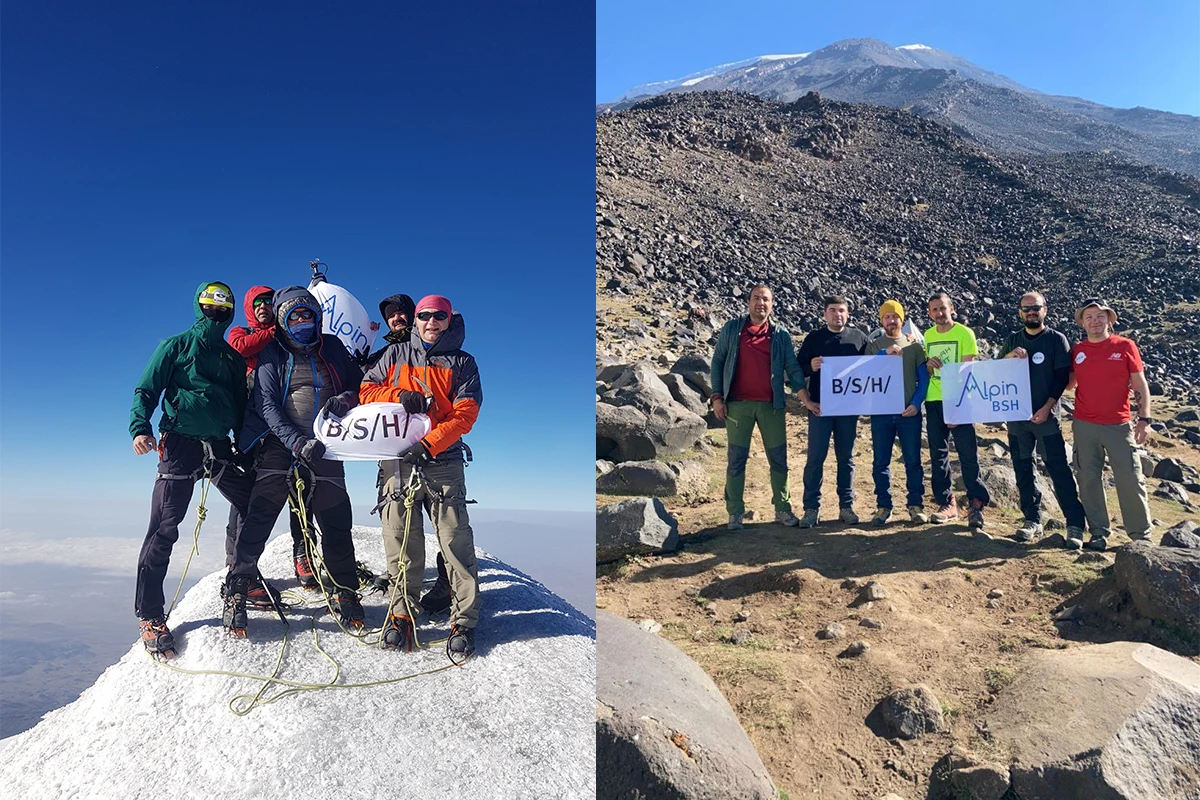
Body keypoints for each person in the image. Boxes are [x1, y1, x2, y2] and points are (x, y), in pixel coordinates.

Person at [225, 286, 365, 637]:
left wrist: (345, 400)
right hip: (281, 443)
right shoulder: (272, 350)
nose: (302, 321)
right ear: (284, 321)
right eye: (294, 316)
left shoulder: (331, 346)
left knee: (336, 519)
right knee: (260, 514)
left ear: (317, 316)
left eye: (308, 314)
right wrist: (295, 442)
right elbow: (267, 404)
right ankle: (237, 589)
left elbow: (356, 384)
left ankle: (344, 591)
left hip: (326, 446)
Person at [130, 281, 253, 658]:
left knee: (253, 503)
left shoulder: (231, 358)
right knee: (165, 528)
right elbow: (147, 389)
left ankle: (237, 585)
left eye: (223, 309)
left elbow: (240, 404)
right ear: (200, 308)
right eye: (211, 307)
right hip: (180, 444)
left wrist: (244, 445)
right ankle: (150, 615)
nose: (217, 314)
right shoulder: (176, 346)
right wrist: (140, 427)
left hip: (218, 445)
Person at [360, 294, 483, 659]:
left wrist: (428, 444)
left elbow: (465, 414)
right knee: (400, 541)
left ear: (449, 321)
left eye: (439, 316)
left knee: (455, 540)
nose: (431, 322)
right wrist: (400, 394)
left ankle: (464, 620)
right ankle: (401, 616)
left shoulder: (463, 363)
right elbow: (366, 392)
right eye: (425, 316)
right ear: (415, 320)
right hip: (396, 461)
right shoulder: (393, 357)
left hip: (442, 459)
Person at [225, 285, 317, 588]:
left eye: (268, 301)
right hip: (252, 428)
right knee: (247, 496)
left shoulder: (286, 340)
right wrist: (274, 329)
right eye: (257, 302)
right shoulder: (243, 332)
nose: (263, 306)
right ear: (250, 307)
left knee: (300, 492)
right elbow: (241, 348)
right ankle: (237, 561)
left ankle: (303, 555)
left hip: (286, 426)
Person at [709, 285, 806, 530]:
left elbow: (792, 368)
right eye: (756, 298)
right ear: (748, 302)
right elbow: (718, 361)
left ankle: (782, 509)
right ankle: (735, 513)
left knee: (779, 460)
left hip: (771, 407)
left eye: (765, 299)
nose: (760, 303)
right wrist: (717, 397)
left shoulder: (780, 334)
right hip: (738, 406)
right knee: (736, 460)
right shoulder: (732, 329)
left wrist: (806, 399)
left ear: (772, 304)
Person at [998, 291, 1087, 545]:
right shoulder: (1012, 340)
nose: (1031, 312)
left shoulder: (1056, 340)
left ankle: (1074, 524)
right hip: (1017, 420)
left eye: (1036, 307)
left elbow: (1062, 378)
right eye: (1026, 308)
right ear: (1020, 313)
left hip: (1046, 418)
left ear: (1045, 310)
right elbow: (994, 372)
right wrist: (1007, 357)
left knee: (1058, 468)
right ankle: (1032, 520)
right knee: (1023, 469)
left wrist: (1048, 407)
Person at [1067, 298, 1154, 551]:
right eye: (1089, 317)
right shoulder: (1077, 351)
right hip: (1084, 425)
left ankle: (1140, 535)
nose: (1095, 321)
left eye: (1100, 316)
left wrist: (1144, 420)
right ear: (1082, 322)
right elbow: (1067, 384)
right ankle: (1098, 533)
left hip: (1119, 424)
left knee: (1130, 477)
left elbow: (1140, 385)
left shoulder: (1125, 346)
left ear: (1109, 320)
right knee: (1088, 478)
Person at [795, 295, 868, 528]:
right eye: (833, 310)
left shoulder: (859, 338)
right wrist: (811, 367)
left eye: (842, 311)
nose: (838, 315)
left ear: (848, 314)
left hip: (848, 410)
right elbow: (797, 368)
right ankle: (811, 508)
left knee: (846, 458)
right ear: (825, 313)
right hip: (820, 408)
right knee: (815, 458)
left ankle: (846, 506)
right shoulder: (814, 338)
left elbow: (874, 368)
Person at [923, 292, 991, 528]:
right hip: (934, 400)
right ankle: (946, 502)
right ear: (929, 313)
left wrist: (955, 406)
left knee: (967, 453)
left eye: (942, 308)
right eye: (934, 309)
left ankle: (976, 503)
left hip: (960, 400)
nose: (939, 313)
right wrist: (929, 366)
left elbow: (966, 370)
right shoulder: (928, 335)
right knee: (938, 453)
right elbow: (929, 371)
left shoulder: (965, 333)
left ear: (951, 308)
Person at [865, 300, 930, 526]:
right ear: (881, 320)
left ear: (902, 320)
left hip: (908, 414)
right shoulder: (874, 345)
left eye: (895, 317)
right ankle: (884, 506)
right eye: (887, 317)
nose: (891, 320)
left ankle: (915, 504)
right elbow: (863, 371)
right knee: (880, 462)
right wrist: (884, 354)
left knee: (913, 461)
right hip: (881, 414)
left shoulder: (914, 347)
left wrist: (916, 403)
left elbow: (924, 378)